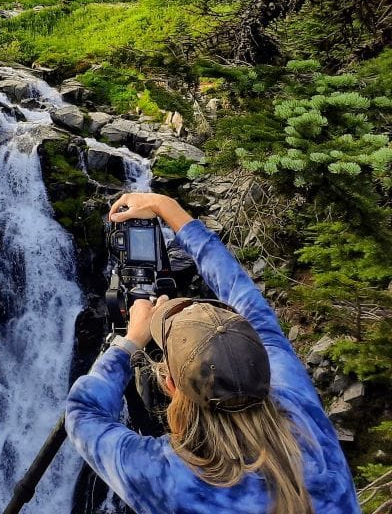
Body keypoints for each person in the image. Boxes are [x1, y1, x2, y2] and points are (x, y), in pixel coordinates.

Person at [66, 191, 361, 514]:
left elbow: (82, 412)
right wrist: (169, 208)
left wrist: (130, 340)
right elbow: (246, 297)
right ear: (262, 361)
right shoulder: (301, 412)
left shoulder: (174, 480)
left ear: (171, 386)